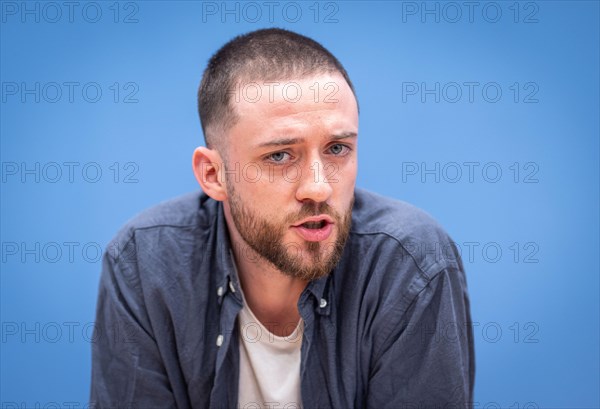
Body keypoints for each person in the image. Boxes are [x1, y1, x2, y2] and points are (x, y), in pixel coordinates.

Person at [90, 28, 475, 409]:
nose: (318, 188)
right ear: (213, 174)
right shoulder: (143, 263)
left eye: (337, 148)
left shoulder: (410, 264)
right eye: (279, 156)